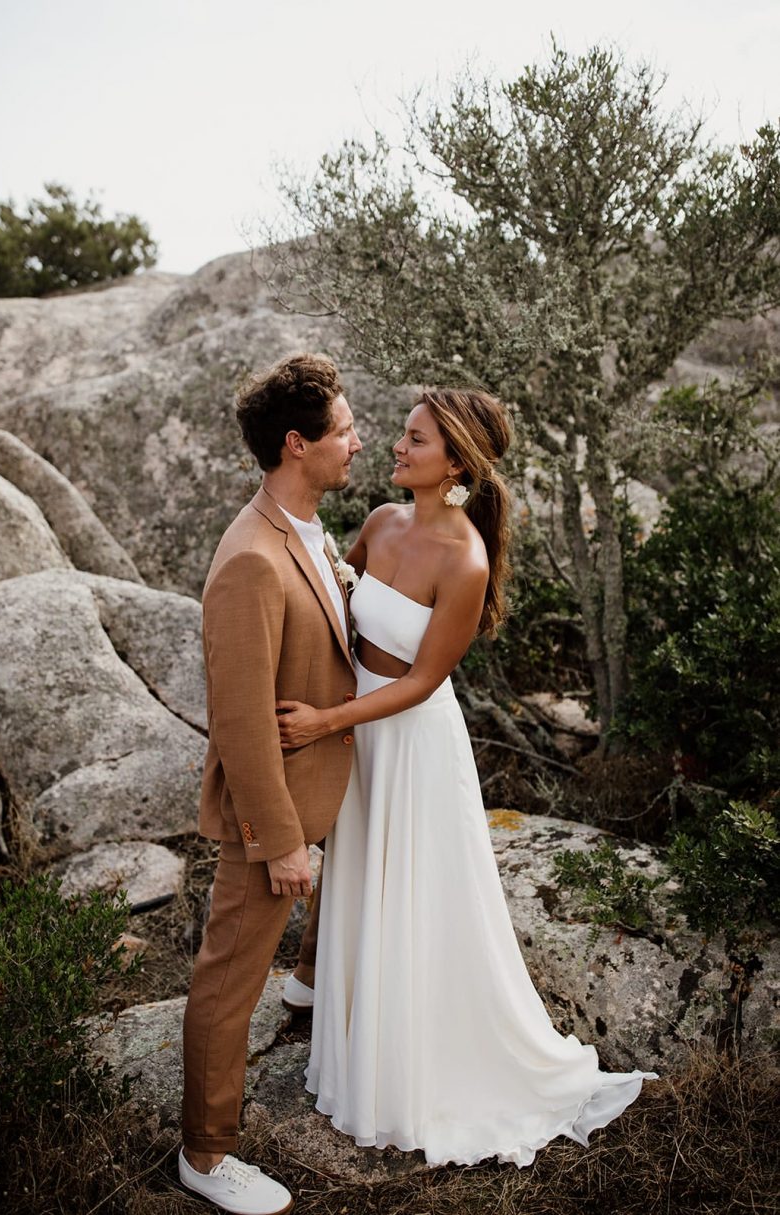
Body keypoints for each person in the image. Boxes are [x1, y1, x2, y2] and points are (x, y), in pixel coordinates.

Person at [276, 387, 659, 1168]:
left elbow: (420, 682)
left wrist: (322, 722)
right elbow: (329, 596)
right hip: (361, 732)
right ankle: (352, 1028)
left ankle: (420, 1064)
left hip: (410, 742)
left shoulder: (466, 560)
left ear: (454, 461)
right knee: (361, 880)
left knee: (415, 896)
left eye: (414, 440)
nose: (395, 447)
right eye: (401, 436)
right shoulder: (381, 523)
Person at [179, 353, 362, 1215]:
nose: (357, 441)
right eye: (345, 428)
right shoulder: (251, 556)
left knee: (269, 965)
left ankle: (309, 980)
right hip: (274, 816)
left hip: (326, 788)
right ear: (298, 444)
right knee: (225, 979)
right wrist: (282, 839)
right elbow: (243, 721)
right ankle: (207, 1154)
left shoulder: (306, 529)